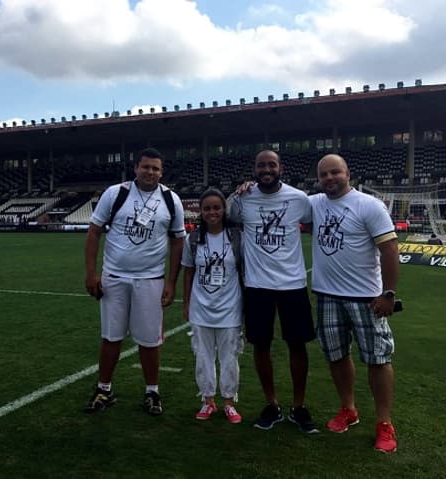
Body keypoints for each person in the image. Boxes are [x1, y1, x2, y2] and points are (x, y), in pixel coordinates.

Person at [84, 147, 186, 416]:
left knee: (150, 341)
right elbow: (94, 232)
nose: (150, 172)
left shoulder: (170, 199)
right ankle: (104, 389)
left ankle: (152, 392)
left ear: (161, 172)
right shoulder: (116, 193)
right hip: (114, 277)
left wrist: (171, 283)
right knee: (110, 336)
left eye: (155, 168)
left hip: (151, 279)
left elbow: (178, 242)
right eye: (145, 167)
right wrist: (91, 273)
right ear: (135, 168)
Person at [310, 154, 399, 453]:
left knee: (378, 358)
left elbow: (389, 249)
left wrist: (388, 294)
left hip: (366, 298)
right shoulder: (314, 203)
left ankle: (384, 423)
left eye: (335, 172)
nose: (330, 178)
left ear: (348, 173)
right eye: (324, 174)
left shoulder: (369, 205)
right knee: (335, 355)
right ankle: (348, 409)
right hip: (327, 295)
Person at [229, 150, 318, 433]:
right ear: (254, 169)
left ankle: (299, 406)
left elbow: (316, 224)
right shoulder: (243, 199)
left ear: (281, 168)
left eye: (271, 165)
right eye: (261, 165)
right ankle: (272, 404)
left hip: (293, 284)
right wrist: (237, 190)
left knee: (297, 344)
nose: (266, 169)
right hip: (257, 285)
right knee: (261, 345)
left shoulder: (299, 199)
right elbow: (227, 216)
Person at [181, 188, 244, 423]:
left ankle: (229, 401)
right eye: (207, 208)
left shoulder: (237, 237)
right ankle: (208, 400)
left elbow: (244, 269)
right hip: (201, 307)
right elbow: (188, 272)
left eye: (216, 207)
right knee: (203, 355)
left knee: (230, 356)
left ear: (224, 209)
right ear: (201, 211)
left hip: (230, 306)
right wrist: (187, 302)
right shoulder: (194, 239)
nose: (212, 212)